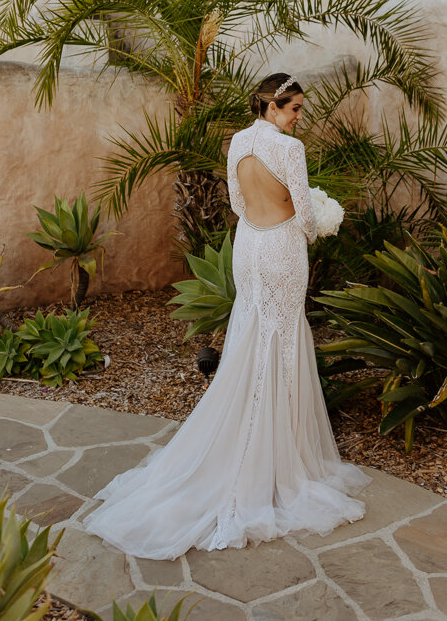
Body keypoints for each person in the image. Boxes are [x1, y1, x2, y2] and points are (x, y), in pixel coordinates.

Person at [84, 72, 368, 559]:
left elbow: (237, 203)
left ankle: (248, 433)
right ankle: (276, 456)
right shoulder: (290, 151)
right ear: (273, 107)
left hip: (249, 245)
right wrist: (322, 221)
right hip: (280, 246)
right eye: (295, 109)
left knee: (254, 332)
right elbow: (302, 213)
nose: (300, 117)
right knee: (282, 337)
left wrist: (274, 216)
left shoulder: (237, 141)